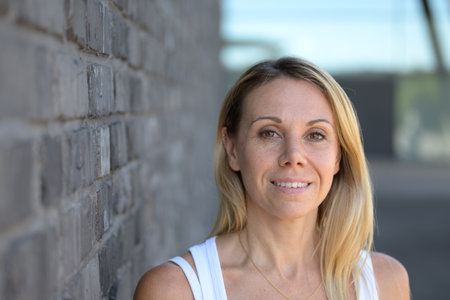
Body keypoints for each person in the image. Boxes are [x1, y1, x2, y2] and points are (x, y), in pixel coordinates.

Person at [134, 57, 410, 300]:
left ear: (338, 156)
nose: (293, 156)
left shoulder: (385, 282)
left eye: (315, 135)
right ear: (232, 150)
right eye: (269, 133)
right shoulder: (174, 290)